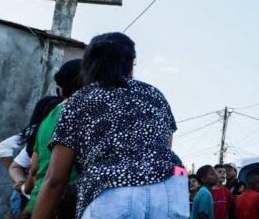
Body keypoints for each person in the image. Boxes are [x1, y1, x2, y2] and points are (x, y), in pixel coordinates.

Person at [32, 32, 188, 219]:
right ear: (130, 63)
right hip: (170, 191)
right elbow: (165, 146)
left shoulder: (79, 101)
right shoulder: (155, 95)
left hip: (111, 191)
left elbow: (55, 179)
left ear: (89, 65)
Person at [24, 59, 85, 219]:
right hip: (63, 208)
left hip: (38, 204)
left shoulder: (49, 116)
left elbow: (34, 166)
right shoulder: (80, 113)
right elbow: (55, 179)